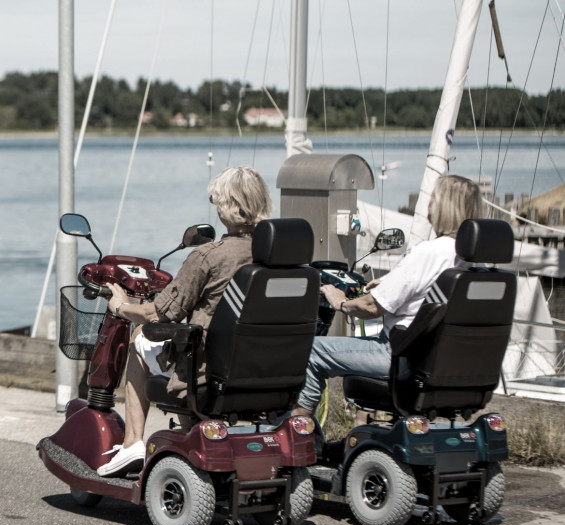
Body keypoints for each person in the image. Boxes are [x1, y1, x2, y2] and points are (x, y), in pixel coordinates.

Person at [97, 166, 272, 477]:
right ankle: (200, 438)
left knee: (140, 337)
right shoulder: (277, 255)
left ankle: (133, 443)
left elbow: (158, 313)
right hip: (267, 372)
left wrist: (122, 306)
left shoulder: (209, 257)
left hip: (210, 371)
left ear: (225, 208)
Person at [292, 174, 484, 424]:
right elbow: (431, 297)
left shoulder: (428, 252)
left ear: (445, 207)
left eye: (433, 198)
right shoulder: (475, 263)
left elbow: (372, 306)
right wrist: (389, 284)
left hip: (401, 357)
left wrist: (341, 302)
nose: (429, 204)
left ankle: (299, 432)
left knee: (312, 351)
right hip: (449, 363)